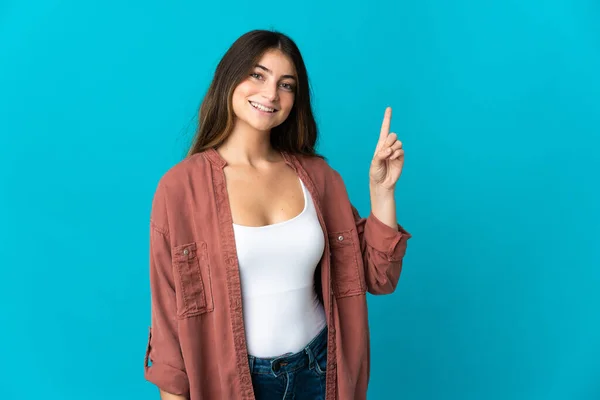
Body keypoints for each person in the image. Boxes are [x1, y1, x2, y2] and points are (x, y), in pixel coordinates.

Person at [144, 29, 412, 400]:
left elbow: (379, 277)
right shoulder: (180, 190)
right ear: (229, 77)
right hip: (235, 385)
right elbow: (169, 322)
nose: (270, 94)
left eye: (286, 85)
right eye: (257, 75)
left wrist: (382, 192)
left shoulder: (319, 179)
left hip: (321, 370)